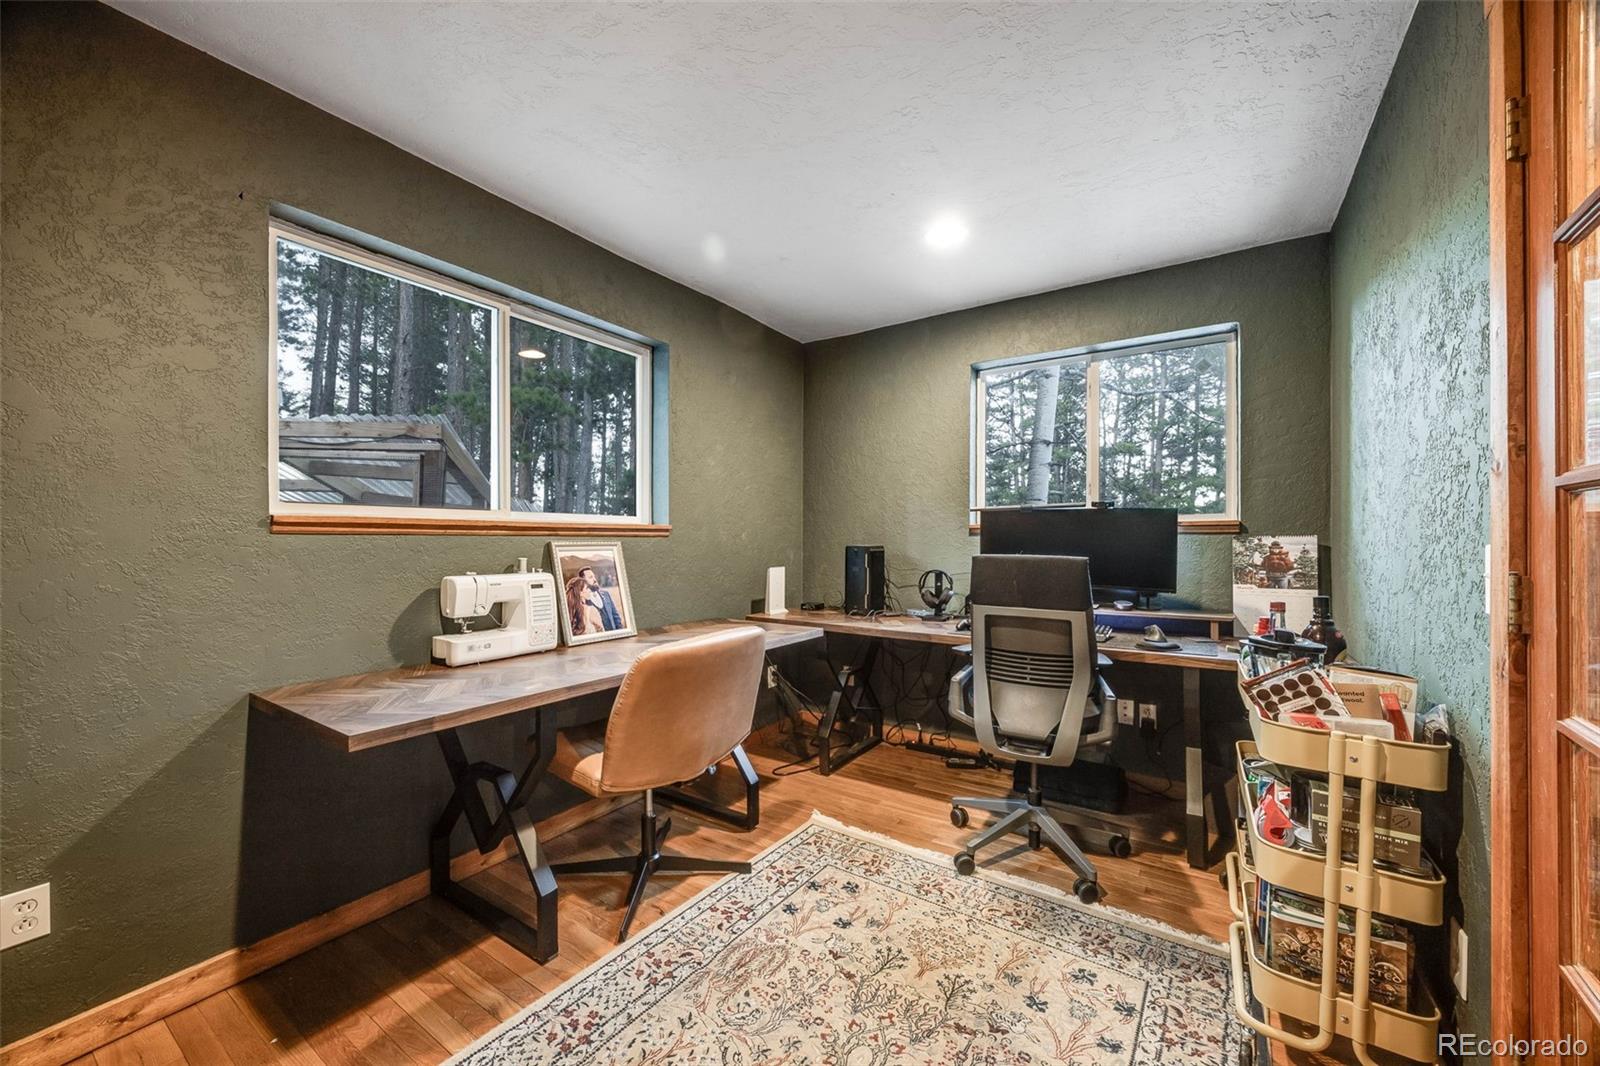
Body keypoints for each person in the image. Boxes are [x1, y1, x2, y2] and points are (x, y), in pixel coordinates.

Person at [579, 566, 624, 630]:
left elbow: (615, 616)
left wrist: (620, 632)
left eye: (594, 576)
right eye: (590, 577)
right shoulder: (582, 600)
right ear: (583, 581)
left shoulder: (606, 594)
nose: (595, 580)